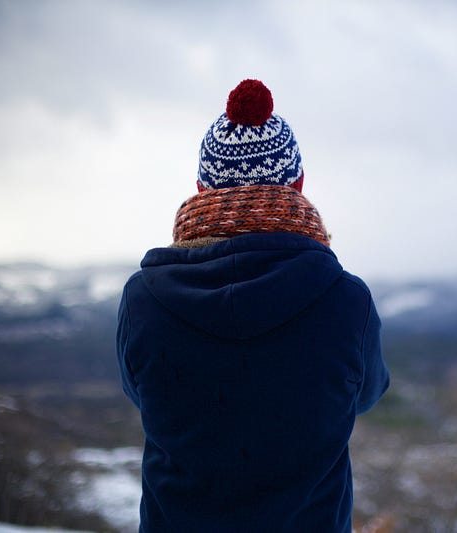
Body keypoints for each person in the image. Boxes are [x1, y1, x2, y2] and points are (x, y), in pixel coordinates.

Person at [116, 79, 390, 532]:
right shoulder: (347, 301)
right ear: (298, 185)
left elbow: (138, 393)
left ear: (202, 188)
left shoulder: (142, 299)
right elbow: (364, 395)